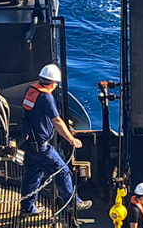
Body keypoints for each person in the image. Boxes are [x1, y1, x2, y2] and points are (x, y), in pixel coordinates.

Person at [21, 63, 92, 214]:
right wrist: (71, 140)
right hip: (42, 146)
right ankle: (72, 203)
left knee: (32, 175)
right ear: (53, 84)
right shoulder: (46, 97)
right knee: (62, 171)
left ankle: (28, 208)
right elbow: (57, 121)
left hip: (29, 143)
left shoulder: (30, 90)